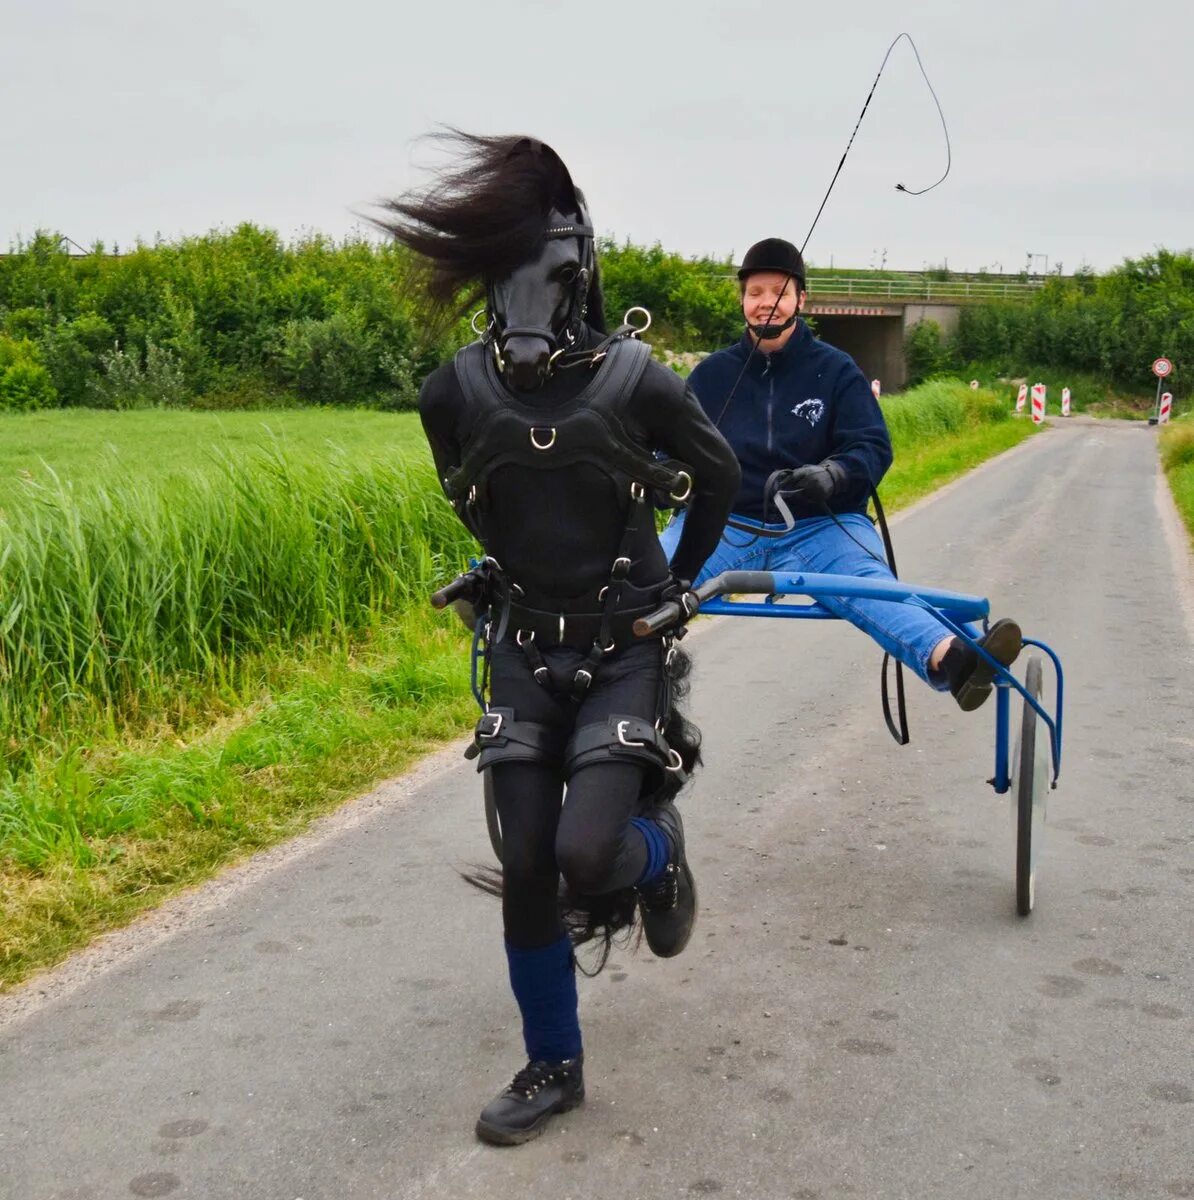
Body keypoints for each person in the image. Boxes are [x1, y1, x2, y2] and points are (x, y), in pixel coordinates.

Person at [380, 133, 740, 1146]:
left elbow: (716, 478)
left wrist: (679, 586)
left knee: (592, 853)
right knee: (527, 859)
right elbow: (472, 492)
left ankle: (660, 855)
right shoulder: (449, 394)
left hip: (627, 643)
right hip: (523, 646)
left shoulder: (641, 384)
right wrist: (507, 569)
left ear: (577, 269)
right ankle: (553, 1066)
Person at [661, 237, 1022, 709]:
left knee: (869, 585)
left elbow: (872, 446)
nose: (766, 302)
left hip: (819, 527)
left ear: (801, 299)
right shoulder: (709, 375)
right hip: (723, 525)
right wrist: (668, 479)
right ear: (742, 300)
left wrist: (833, 474)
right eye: (755, 292)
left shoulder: (836, 369)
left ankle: (954, 658)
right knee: (642, 582)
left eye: (779, 291)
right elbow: (673, 449)